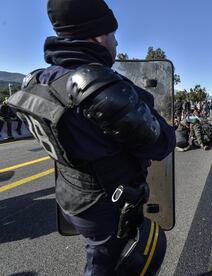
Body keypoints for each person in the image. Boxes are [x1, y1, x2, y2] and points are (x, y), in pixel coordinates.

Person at [8, 0, 175, 275]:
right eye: (112, 34)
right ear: (97, 35)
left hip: (72, 193)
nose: (116, 42)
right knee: (106, 264)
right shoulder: (97, 87)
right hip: (107, 203)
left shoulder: (40, 80)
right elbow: (161, 143)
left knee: (99, 254)